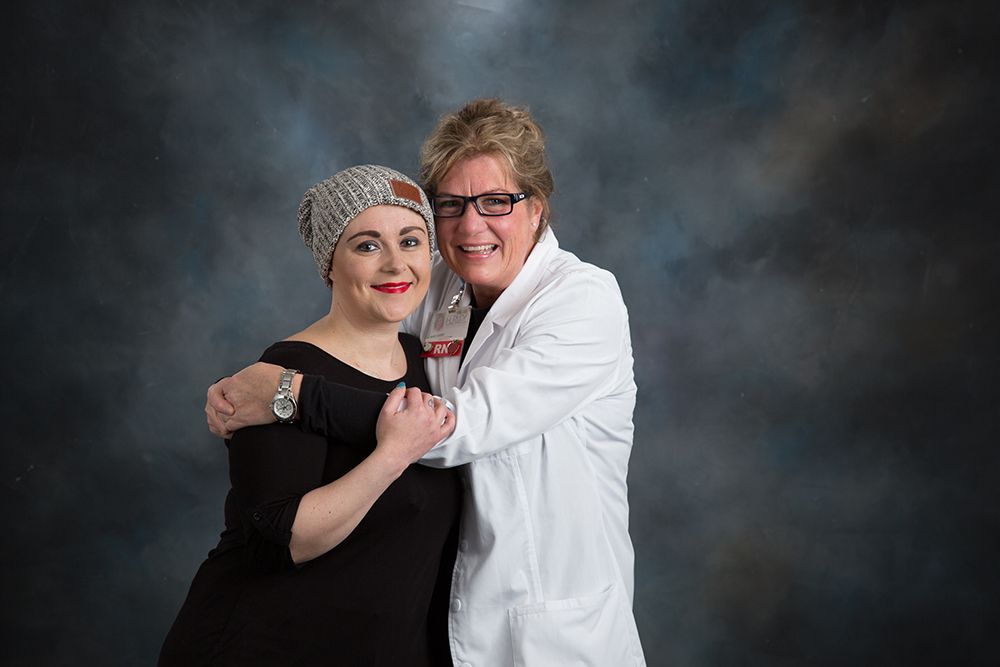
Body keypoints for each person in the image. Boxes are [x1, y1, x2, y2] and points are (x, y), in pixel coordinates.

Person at [207, 99, 647, 665]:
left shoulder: (584, 300)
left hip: (555, 631)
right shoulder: (438, 283)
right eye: (451, 205)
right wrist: (245, 386)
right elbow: (355, 340)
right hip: (443, 620)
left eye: (496, 201)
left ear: (537, 209)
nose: (471, 226)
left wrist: (288, 394)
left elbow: (452, 428)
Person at [161, 165, 461, 666]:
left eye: (410, 241)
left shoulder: (424, 360)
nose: (395, 264)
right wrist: (391, 456)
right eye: (367, 246)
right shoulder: (283, 373)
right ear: (330, 265)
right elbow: (278, 541)